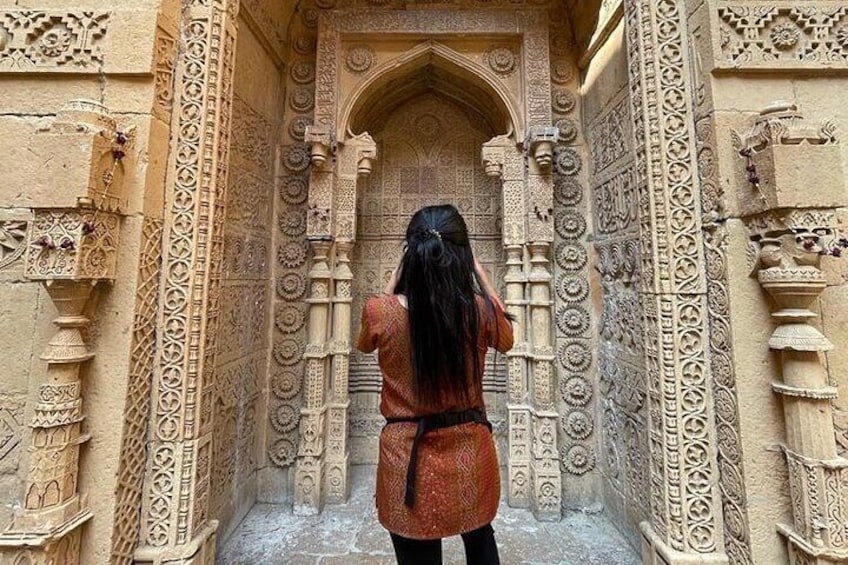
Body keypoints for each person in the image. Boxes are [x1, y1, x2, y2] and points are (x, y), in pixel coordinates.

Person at [356, 204, 514, 565]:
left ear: (410, 255)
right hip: (470, 452)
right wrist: (484, 279)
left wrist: (393, 280)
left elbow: (365, 342)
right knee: (481, 545)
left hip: (406, 457)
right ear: (462, 256)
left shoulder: (380, 311)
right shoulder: (480, 311)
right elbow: (506, 339)